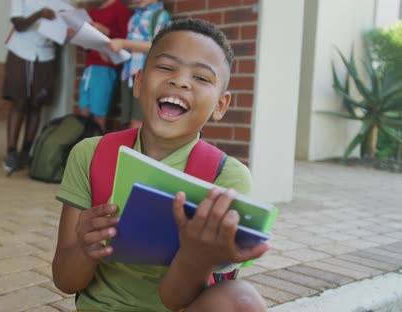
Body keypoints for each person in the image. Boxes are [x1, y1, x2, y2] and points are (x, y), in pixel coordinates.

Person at [52, 19, 270, 312]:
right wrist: (86, 247)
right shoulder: (91, 155)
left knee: (240, 299)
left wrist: (194, 257)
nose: (180, 81)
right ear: (139, 82)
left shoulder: (226, 178)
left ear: (220, 105)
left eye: (202, 78)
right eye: (166, 68)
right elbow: (65, 280)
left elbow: (174, 299)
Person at [2, 0, 57, 174]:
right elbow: (19, 24)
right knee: (19, 101)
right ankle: (11, 152)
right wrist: (40, 14)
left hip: (46, 54)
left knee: (36, 104)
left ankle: (26, 153)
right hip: (21, 51)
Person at [108, 0, 170, 129]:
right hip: (128, 74)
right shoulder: (134, 17)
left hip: (145, 76)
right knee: (127, 121)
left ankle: (136, 149)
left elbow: (158, 45)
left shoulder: (160, 16)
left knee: (138, 122)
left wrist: (124, 43)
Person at [76, 0, 131, 132]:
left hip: (106, 67)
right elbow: (87, 46)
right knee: (84, 113)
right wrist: (77, 36)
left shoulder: (119, 8)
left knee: (98, 116)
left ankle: (98, 151)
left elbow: (126, 39)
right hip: (90, 67)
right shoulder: (93, 12)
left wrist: (107, 32)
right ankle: (84, 150)